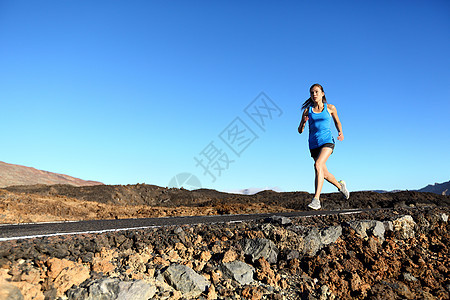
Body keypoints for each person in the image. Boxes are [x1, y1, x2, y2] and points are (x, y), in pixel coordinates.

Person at [298, 83, 349, 210]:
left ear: (322, 93)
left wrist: (340, 132)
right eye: (312, 93)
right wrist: (303, 123)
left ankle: (316, 200)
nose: (314, 94)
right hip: (313, 144)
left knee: (318, 165)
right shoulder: (307, 111)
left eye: (316, 92)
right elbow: (300, 130)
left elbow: (337, 122)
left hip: (327, 141)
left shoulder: (330, 108)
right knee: (324, 173)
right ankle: (340, 186)